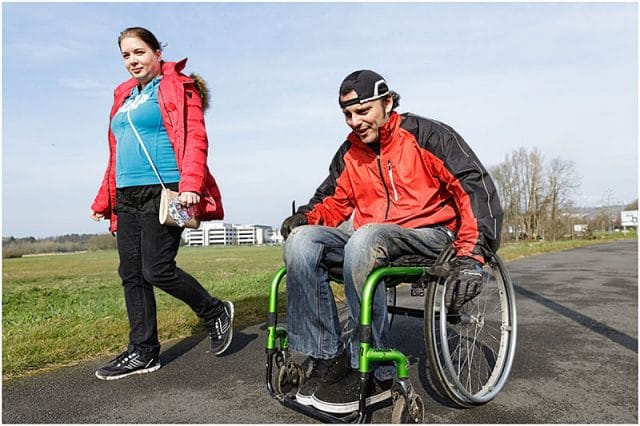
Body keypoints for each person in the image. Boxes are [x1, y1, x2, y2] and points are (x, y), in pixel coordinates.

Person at [279, 69, 503, 413]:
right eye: (348, 115)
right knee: (301, 242)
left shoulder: (427, 136)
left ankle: (377, 372)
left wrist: (472, 255)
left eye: (363, 111)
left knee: (365, 237)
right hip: (372, 240)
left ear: (387, 102)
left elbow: (473, 188)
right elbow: (333, 200)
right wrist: (306, 218)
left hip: (430, 235)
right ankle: (328, 356)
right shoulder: (350, 153)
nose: (355, 121)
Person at [90, 27, 234, 380]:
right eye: (125, 55)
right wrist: (103, 199)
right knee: (131, 274)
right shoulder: (123, 97)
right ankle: (143, 351)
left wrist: (190, 186)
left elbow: (196, 138)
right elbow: (115, 154)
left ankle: (214, 311)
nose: (132, 61)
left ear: (157, 51)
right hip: (126, 195)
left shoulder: (178, 86)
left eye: (138, 52)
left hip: (165, 190)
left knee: (157, 269)